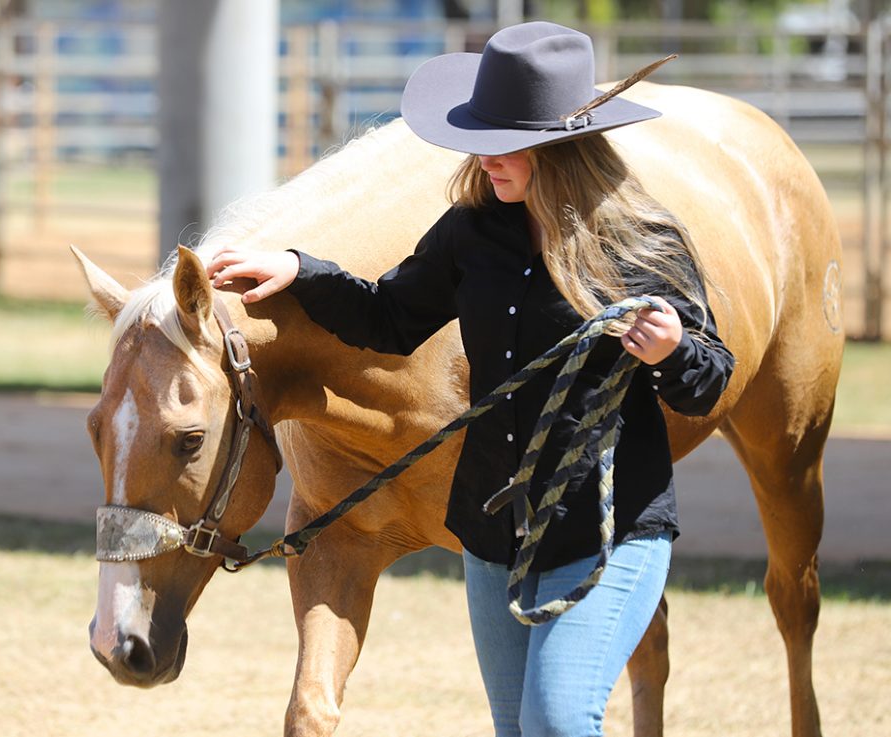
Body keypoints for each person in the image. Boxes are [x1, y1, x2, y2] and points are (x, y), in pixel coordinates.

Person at [207, 21, 734, 737]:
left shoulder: (640, 241)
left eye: (504, 138)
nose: (484, 154)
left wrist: (672, 349)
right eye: (480, 134)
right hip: (496, 532)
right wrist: (302, 271)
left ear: (560, 144)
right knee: (517, 729)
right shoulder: (470, 231)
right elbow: (389, 318)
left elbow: (707, 381)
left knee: (556, 720)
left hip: (610, 533)